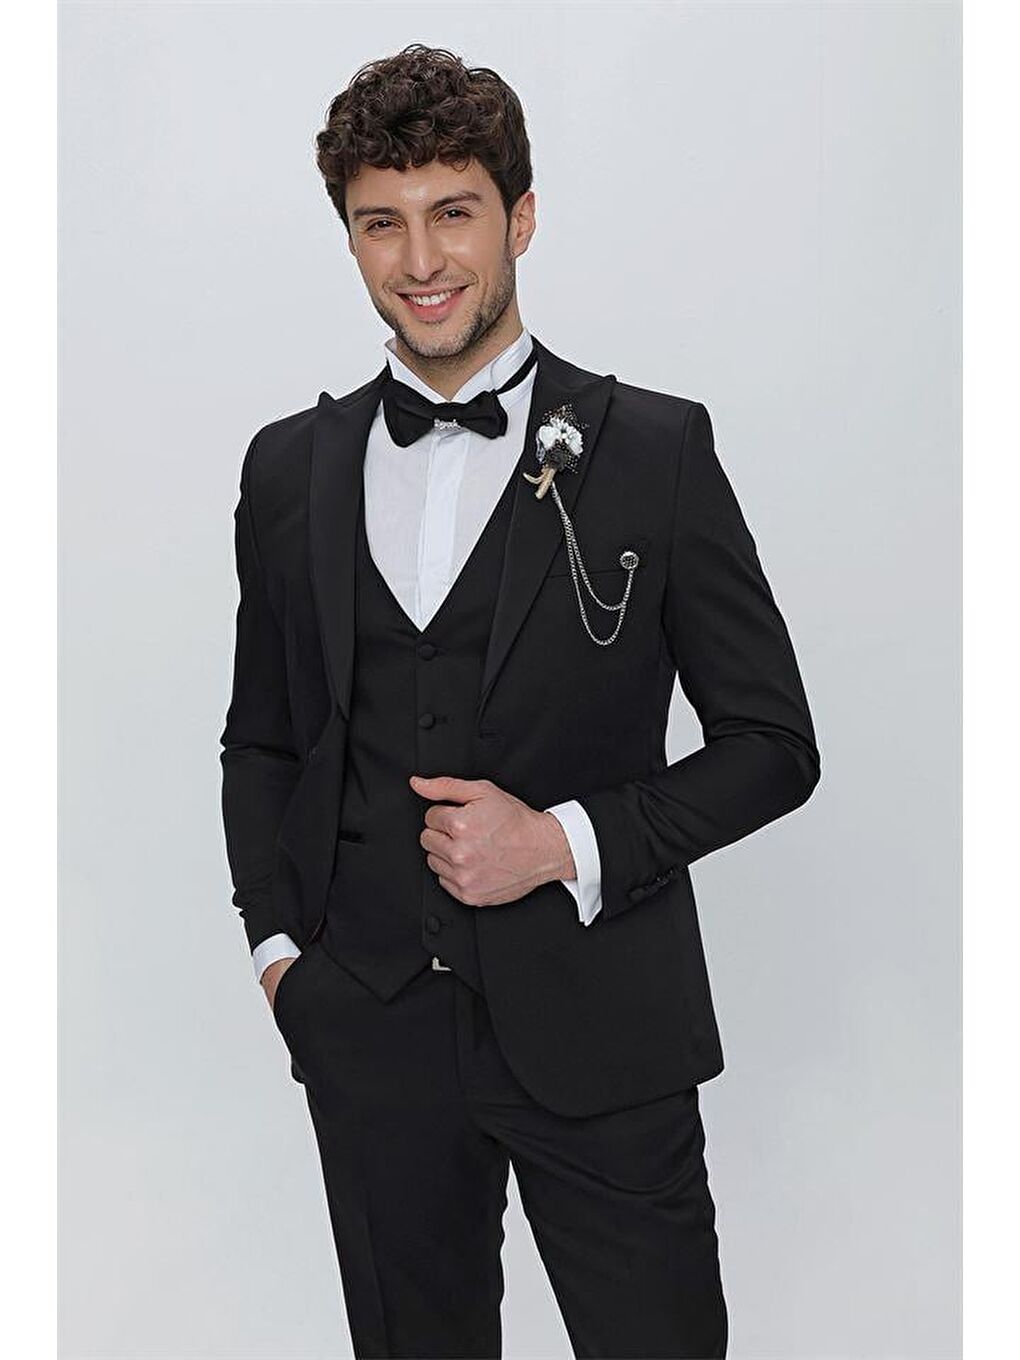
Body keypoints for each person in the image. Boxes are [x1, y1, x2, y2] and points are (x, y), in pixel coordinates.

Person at [219, 42, 820, 1360]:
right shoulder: (288, 470)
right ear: (349, 237)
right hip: (371, 1031)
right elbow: (262, 737)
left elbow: (775, 746)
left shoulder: (653, 451)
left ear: (521, 217)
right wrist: (280, 959)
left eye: (454, 212)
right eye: (381, 222)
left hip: (606, 1027)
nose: (421, 259)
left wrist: (562, 842)